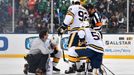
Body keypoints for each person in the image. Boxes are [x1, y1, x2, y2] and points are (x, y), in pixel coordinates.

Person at [57, 0, 89, 74]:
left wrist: (63, 27)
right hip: (85, 33)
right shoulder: (85, 10)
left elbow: (69, 18)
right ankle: (80, 67)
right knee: (80, 50)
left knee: (71, 49)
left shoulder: (72, 7)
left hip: (75, 32)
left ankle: (71, 67)